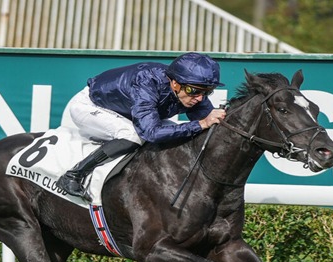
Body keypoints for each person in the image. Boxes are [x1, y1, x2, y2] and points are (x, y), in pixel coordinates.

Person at [56, 52, 227, 198]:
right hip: (91, 106)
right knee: (132, 135)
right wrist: (201, 123)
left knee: (175, 133)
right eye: (193, 91)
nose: (199, 98)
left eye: (206, 92)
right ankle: (74, 175)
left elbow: (211, 127)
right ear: (175, 83)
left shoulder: (191, 91)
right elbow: (150, 132)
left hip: (128, 113)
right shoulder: (147, 81)